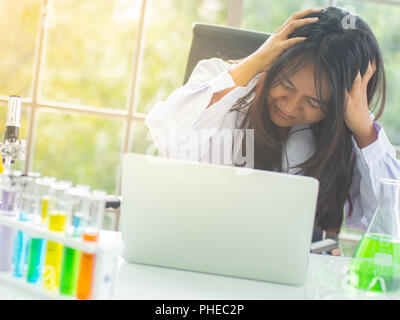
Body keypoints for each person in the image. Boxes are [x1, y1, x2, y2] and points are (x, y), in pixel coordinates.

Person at [145, 7, 400, 254]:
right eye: (285, 85)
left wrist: (365, 132)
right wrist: (253, 63)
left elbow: (392, 225)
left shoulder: (345, 135)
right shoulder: (220, 79)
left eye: (314, 102)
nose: (290, 106)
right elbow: (169, 135)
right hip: (189, 251)